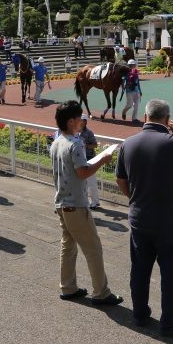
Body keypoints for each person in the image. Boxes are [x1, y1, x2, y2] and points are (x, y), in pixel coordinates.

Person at [115, 98, 173, 336]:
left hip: (139, 218)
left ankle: (139, 315)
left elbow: (121, 180)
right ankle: (170, 323)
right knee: (170, 274)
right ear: (167, 120)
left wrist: (134, 199)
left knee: (139, 270)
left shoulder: (128, 143)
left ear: (145, 117)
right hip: (168, 221)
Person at [50, 100, 122, 306]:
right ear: (71, 121)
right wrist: (102, 160)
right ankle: (101, 292)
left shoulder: (57, 141)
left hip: (62, 202)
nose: (81, 122)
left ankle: (68, 287)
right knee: (93, 249)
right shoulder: (76, 143)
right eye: (78, 119)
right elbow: (82, 172)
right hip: (76, 205)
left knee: (68, 246)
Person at [78, 114, 101, 209]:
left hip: (89, 159)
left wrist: (86, 146)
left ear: (85, 122)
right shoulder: (75, 132)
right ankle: (83, 201)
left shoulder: (89, 133)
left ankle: (95, 202)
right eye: (79, 120)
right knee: (81, 182)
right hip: (79, 160)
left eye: (82, 120)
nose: (80, 122)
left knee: (91, 181)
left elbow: (95, 145)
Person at [121, 58, 142, 123]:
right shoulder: (126, 72)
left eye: (134, 64)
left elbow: (137, 82)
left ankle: (134, 118)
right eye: (133, 64)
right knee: (129, 105)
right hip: (129, 90)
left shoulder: (135, 71)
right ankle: (124, 111)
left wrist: (140, 90)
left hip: (136, 90)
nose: (134, 65)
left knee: (136, 105)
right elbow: (123, 80)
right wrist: (123, 86)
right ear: (130, 65)